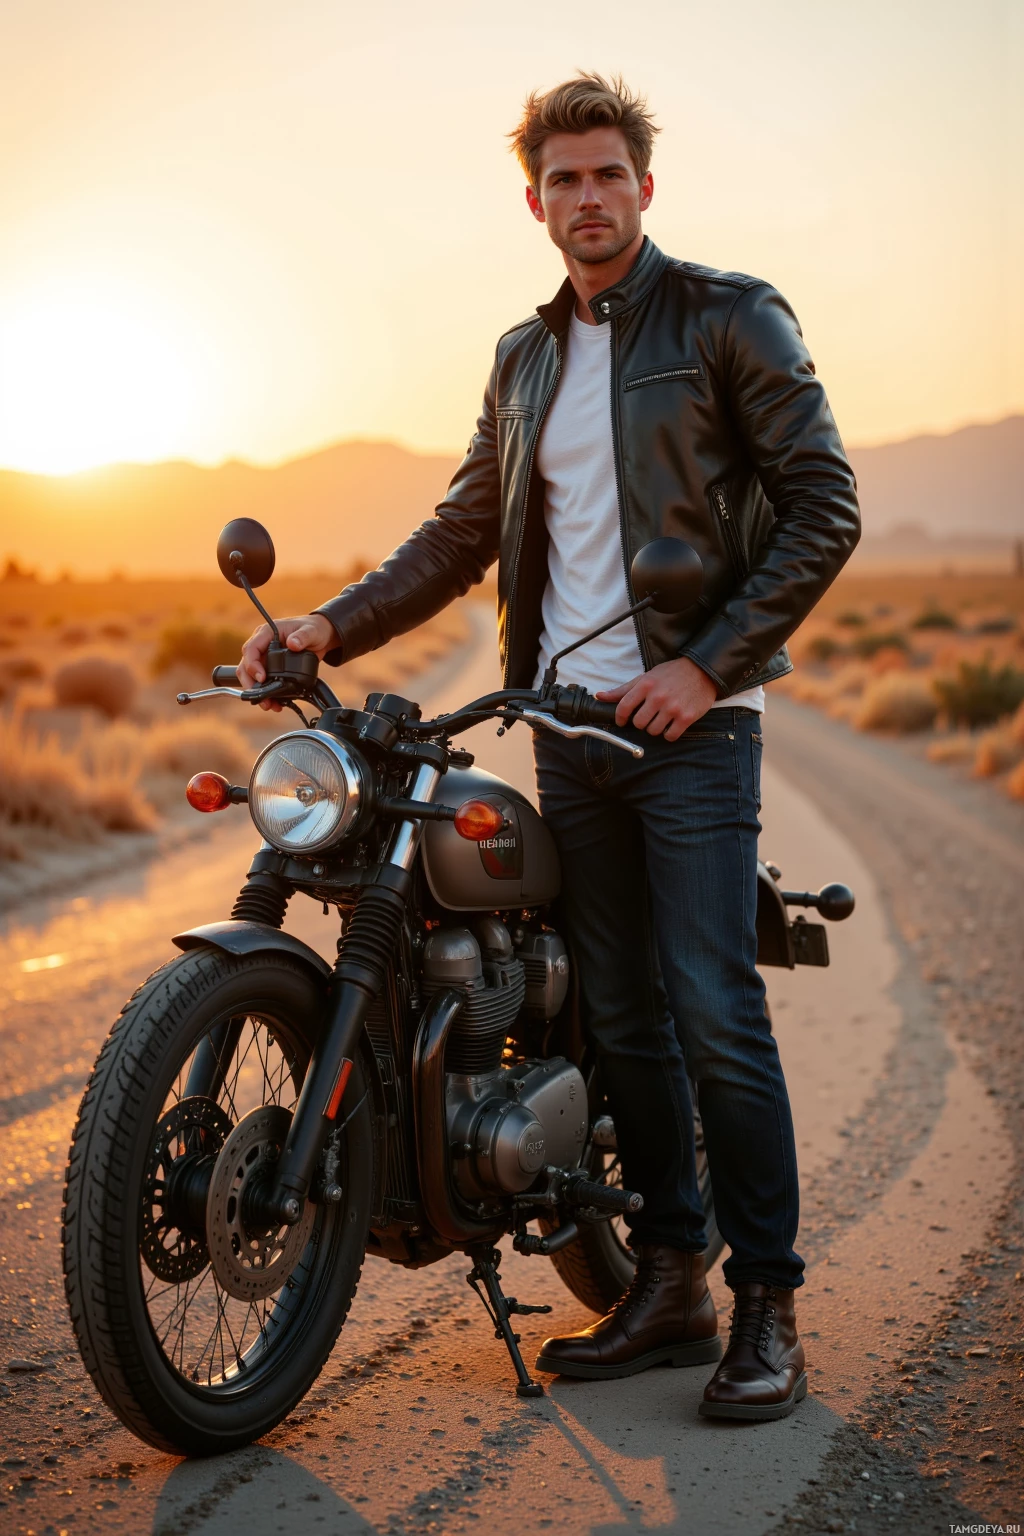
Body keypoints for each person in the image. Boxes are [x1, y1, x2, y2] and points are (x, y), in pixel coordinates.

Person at [238, 73, 860, 1422]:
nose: (588, 198)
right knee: (622, 1009)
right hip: (570, 735)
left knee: (709, 1005)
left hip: (692, 729)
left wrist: (704, 667)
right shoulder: (524, 362)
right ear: (535, 203)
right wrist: (327, 629)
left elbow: (826, 504)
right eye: (563, 181)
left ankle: (769, 1307)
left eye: (608, 175)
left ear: (645, 187)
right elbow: (465, 530)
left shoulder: (725, 317)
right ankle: (672, 1278)